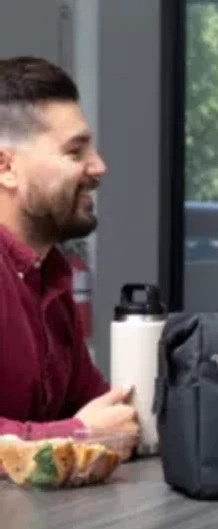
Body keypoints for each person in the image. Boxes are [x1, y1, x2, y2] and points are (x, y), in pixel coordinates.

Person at [0, 56, 139, 442]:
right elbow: (90, 426)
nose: (98, 167)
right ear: (5, 167)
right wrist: (78, 433)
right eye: (75, 152)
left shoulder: (52, 276)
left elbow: (101, 409)